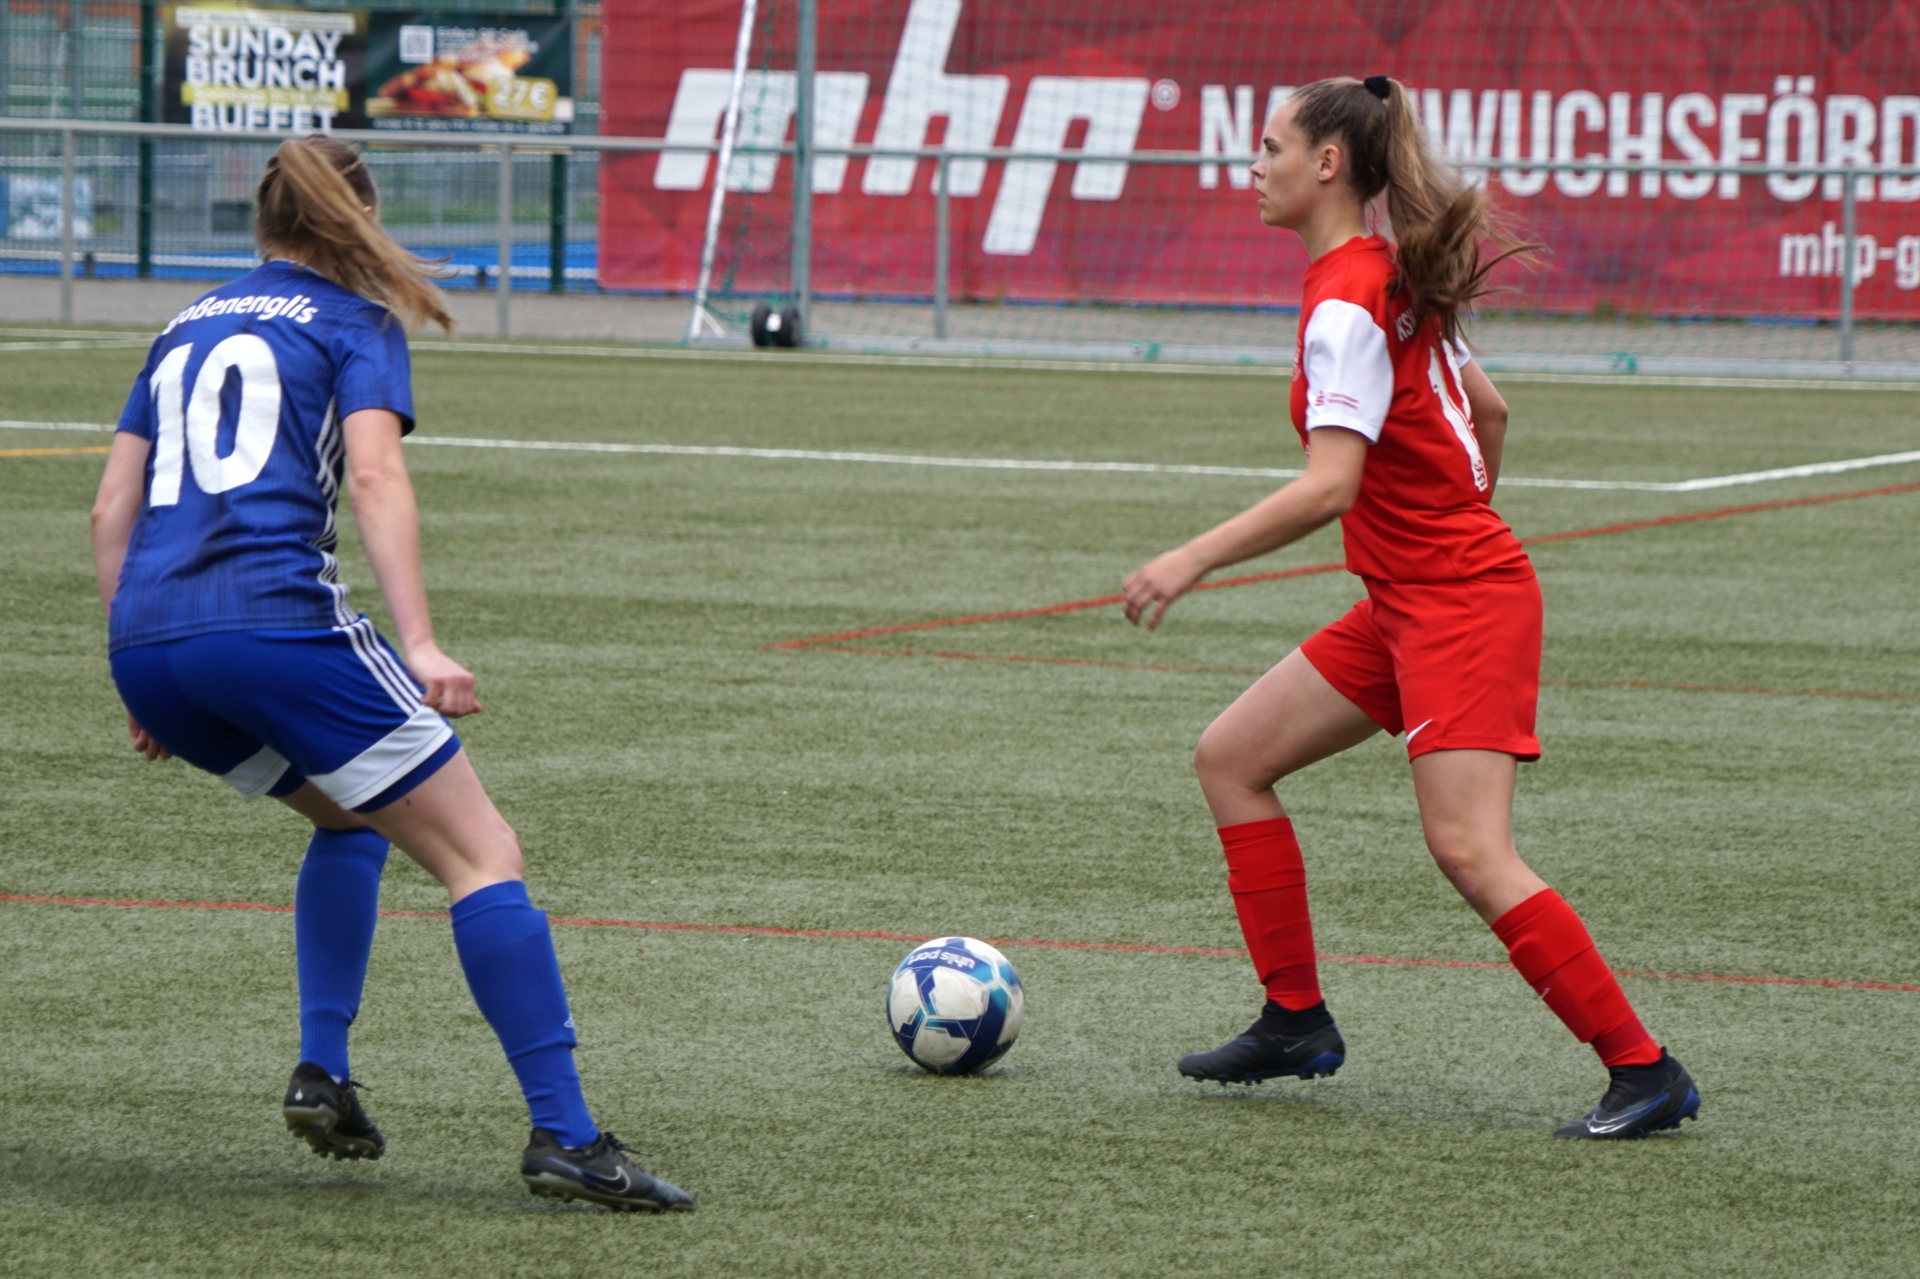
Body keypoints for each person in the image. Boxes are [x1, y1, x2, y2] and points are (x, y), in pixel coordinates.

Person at [88, 135, 693, 1207]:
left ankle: (322, 1071)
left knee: (350, 817)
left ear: (263, 223)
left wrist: (136, 672)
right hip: (274, 623)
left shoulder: (181, 326)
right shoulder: (354, 322)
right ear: (357, 218)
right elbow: (373, 476)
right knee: (483, 854)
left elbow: (109, 511)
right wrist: (418, 641)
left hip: (147, 643)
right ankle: (566, 1135)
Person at [1122, 77, 1698, 1139]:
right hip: (1414, 600)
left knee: (1470, 850)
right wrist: (1453, 522)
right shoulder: (1385, 272)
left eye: (1270, 146)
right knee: (1231, 758)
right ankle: (1295, 1018)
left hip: (1458, 605)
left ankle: (1645, 1069)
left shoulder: (1349, 298)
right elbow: (1490, 409)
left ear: (1327, 164)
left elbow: (1330, 486)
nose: (1254, 165)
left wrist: (1190, 557)